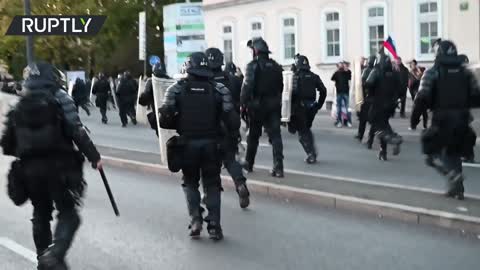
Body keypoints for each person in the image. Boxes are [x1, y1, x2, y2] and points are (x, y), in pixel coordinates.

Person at [0, 62, 102, 270]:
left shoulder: (20, 103)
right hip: (59, 167)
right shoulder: (61, 98)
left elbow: (7, 144)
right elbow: (76, 131)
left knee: (40, 213)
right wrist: (94, 157)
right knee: (68, 214)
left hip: (29, 171)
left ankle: (43, 259)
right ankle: (54, 255)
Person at [159, 52, 240, 240]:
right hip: (212, 144)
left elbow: (164, 120)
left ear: (189, 68)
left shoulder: (176, 90)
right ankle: (214, 225)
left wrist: (179, 119)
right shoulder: (220, 89)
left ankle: (196, 219)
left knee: (190, 182)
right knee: (212, 184)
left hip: (187, 145)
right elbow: (233, 122)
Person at [411, 40, 480, 200]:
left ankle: (452, 175)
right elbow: (476, 96)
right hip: (463, 119)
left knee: (431, 152)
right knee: (454, 153)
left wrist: (414, 120)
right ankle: (457, 190)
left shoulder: (432, 72)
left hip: (442, 119)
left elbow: (421, 98)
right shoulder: (466, 72)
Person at [206, 47, 250, 208]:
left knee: (211, 163)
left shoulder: (205, 82)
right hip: (231, 125)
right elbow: (241, 99)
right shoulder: (233, 79)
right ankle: (240, 184)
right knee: (231, 159)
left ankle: (210, 196)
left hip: (211, 127)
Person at [240, 37, 285, 177]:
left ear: (256, 50)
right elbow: (281, 86)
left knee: (253, 136)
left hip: (257, 106)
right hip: (273, 105)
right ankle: (278, 167)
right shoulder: (276, 66)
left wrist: (242, 103)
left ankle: (249, 163)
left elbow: (247, 86)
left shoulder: (252, 65)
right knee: (276, 136)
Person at [288, 54, 327, 164]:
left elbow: (292, 93)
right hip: (312, 108)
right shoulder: (314, 76)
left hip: (300, 107)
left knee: (302, 132)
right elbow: (323, 90)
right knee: (306, 129)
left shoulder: (296, 77)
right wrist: (319, 105)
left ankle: (311, 154)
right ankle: (312, 152)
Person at [365, 53, 403, 161]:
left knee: (373, 120)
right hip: (391, 105)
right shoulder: (394, 73)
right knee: (384, 124)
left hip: (378, 103)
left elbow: (368, 83)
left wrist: (371, 93)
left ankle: (393, 138)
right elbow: (401, 88)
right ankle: (383, 151)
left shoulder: (376, 71)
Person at [139, 61, 171, 136]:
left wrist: (142, 98)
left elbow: (144, 98)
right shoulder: (170, 80)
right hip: (169, 110)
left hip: (157, 110)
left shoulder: (151, 81)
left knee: (156, 124)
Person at [355, 56, 376, 146]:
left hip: (368, 98)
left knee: (364, 119)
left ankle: (361, 136)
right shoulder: (376, 71)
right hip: (373, 98)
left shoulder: (368, 71)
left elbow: (362, 84)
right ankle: (368, 138)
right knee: (371, 120)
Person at [331, 61, 352, 127]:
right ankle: (339, 121)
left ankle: (348, 121)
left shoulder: (347, 72)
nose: (341, 66)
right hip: (339, 93)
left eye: (342, 65)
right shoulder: (336, 73)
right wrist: (337, 71)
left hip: (346, 92)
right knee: (339, 108)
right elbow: (332, 78)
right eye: (339, 65)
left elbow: (350, 76)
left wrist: (347, 69)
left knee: (347, 108)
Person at [408, 59, 428, 128]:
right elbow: (409, 84)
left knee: (420, 110)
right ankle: (415, 124)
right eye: (411, 64)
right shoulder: (410, 73)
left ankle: (421, 125)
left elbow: (419, 77)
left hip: (420, 93)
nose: (413, 65)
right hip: (414, 93)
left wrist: (418, 70)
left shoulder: (419, 71)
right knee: (418, 111)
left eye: (414, 64)